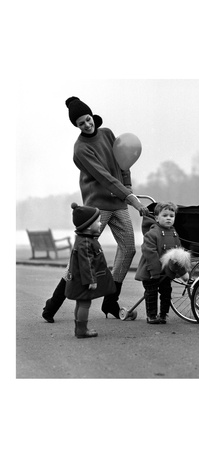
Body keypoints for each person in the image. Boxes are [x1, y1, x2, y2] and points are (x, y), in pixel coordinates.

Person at [42, 96, 149, 323]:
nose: (87, 125)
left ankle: (111, 302)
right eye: (81, 123)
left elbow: (123, 164)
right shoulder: (80, 150)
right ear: (77, 126)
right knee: (80, 256)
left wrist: (128, 186)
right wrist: (132, 199)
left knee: (128, 248)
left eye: (88, 119)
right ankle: (52, 305)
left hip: (119, 202)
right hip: (97, 208)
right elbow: (105, 177)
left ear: (93, 117)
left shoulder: (108, 134)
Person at [65, 203, 116, 338]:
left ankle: (79, 329)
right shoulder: (86, 243)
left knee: (80, 302)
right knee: (85, 303)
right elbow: (86, 263)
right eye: (98, 222)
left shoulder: (84, 240)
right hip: (83, 281)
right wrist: (91, 280)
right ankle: (82, 330)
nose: (100, 225)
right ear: (88, 226)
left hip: (78, 279)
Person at [135, 202, 190, 324]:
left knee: (166, 292)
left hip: (166, 272)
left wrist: (182, 272)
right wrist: (155, 272)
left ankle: (163, 314)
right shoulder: (152, 233)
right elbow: (150, 254)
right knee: (151, 293)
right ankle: (152, 315)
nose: (169, 218)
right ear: (156, 218)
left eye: (172, 215)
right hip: (151, 271)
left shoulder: (174, 233)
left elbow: (177, 255)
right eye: (165, 215)